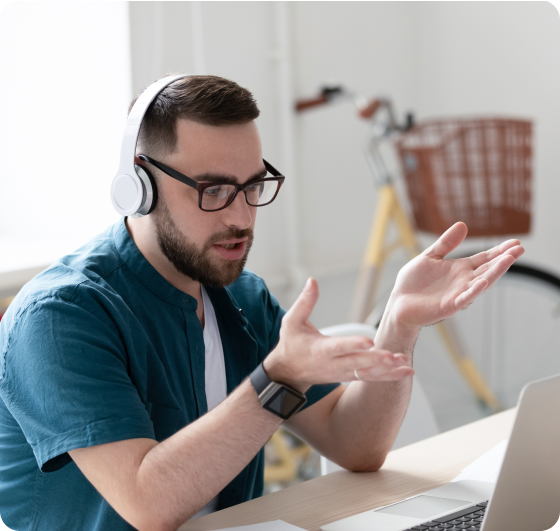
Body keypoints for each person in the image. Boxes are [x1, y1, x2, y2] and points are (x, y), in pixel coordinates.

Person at [0, 75, 524, 531]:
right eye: (214, 190)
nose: (242, 217)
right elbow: (149, 504)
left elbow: (355, 446)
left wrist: (400, 324)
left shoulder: (241, 297)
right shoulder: (60, 317)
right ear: (138, 184)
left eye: (253, 186)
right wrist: (279, 379)